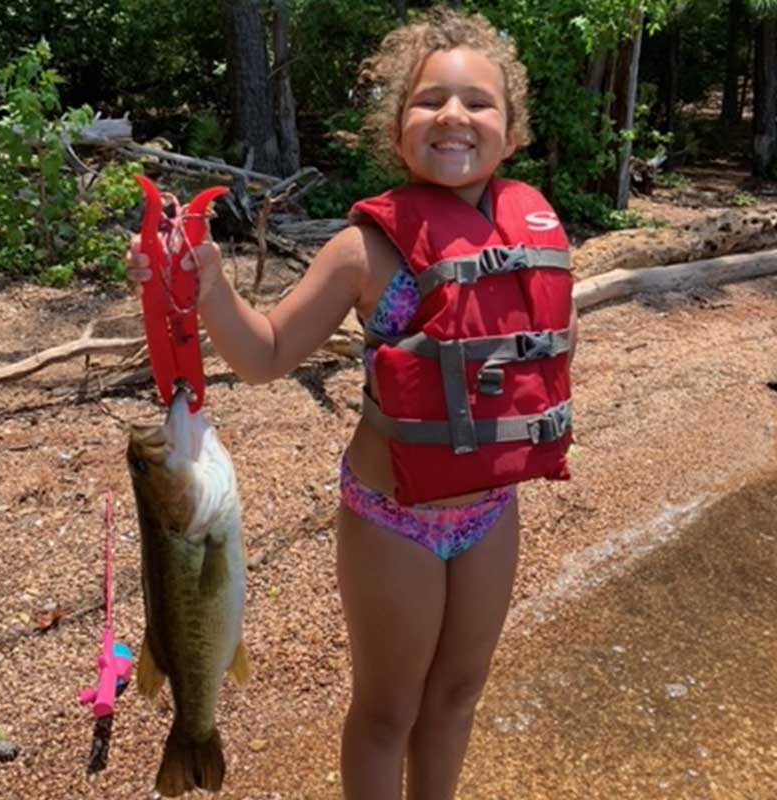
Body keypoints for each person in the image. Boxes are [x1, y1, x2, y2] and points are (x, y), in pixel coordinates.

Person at [127, 7, 578, 799]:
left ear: (511, 133)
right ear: (395, 127)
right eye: (428, 99)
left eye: (479, 103)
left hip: (492, 511)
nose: (453, 115)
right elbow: (265, 355)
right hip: (393, 520)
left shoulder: (536, 227)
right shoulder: (362, 248)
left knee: (457, 696)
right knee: (387, 710)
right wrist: (208, 284)